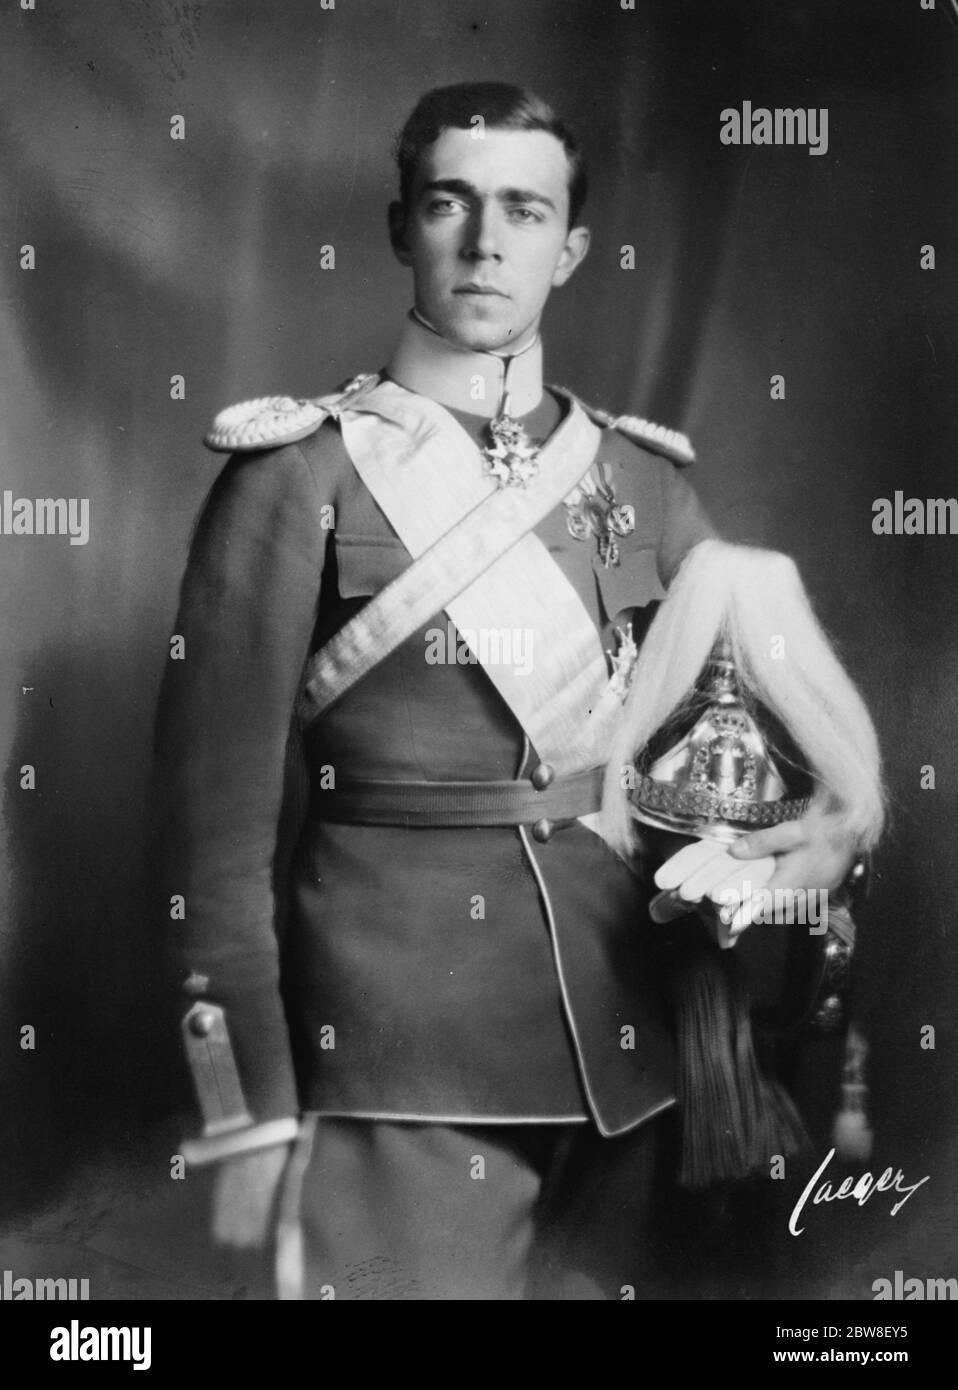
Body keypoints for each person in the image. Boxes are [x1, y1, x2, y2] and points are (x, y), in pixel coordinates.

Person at [152, 82, 867, 1300]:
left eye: (523, 212)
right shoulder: (296, 478)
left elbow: (747, 741)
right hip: (398, 1067)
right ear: (400, 229)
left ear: (569, 248)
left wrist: (812, 841)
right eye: (451, 203)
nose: (486, 243)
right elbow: (206, 839)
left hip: (637, 1055)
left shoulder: (639, 475)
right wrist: (247, 1110)